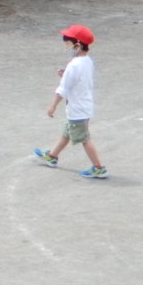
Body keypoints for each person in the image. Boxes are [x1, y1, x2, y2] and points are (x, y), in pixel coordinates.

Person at [36, 23, 106, 178]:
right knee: (66, 133)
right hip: (84, 106)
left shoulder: (74, 65)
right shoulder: (87, 61)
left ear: (77, 45)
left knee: (84, 139)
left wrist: (53, 106)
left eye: (68, 43)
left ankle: (98, 167)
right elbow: (79, 79)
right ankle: (52, 156)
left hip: (77, 109)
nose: (66, 47)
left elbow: (63, 88)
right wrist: (66, 73)